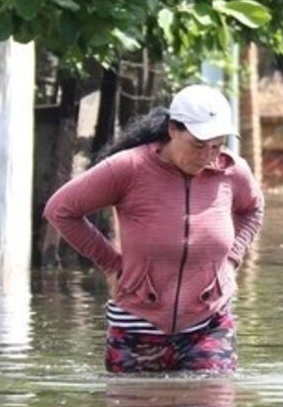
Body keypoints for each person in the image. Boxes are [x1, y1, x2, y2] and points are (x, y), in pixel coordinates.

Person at [44, 84, 264, 374]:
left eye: (217, 145)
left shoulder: (233, 172)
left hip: (209, 323)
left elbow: (253, 208)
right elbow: (60, 210)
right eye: (199, 145)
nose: (208, 156)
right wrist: (110, 264)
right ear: (173, 129)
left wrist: (232, 259)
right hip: (137, 325)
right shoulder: (130, 167)